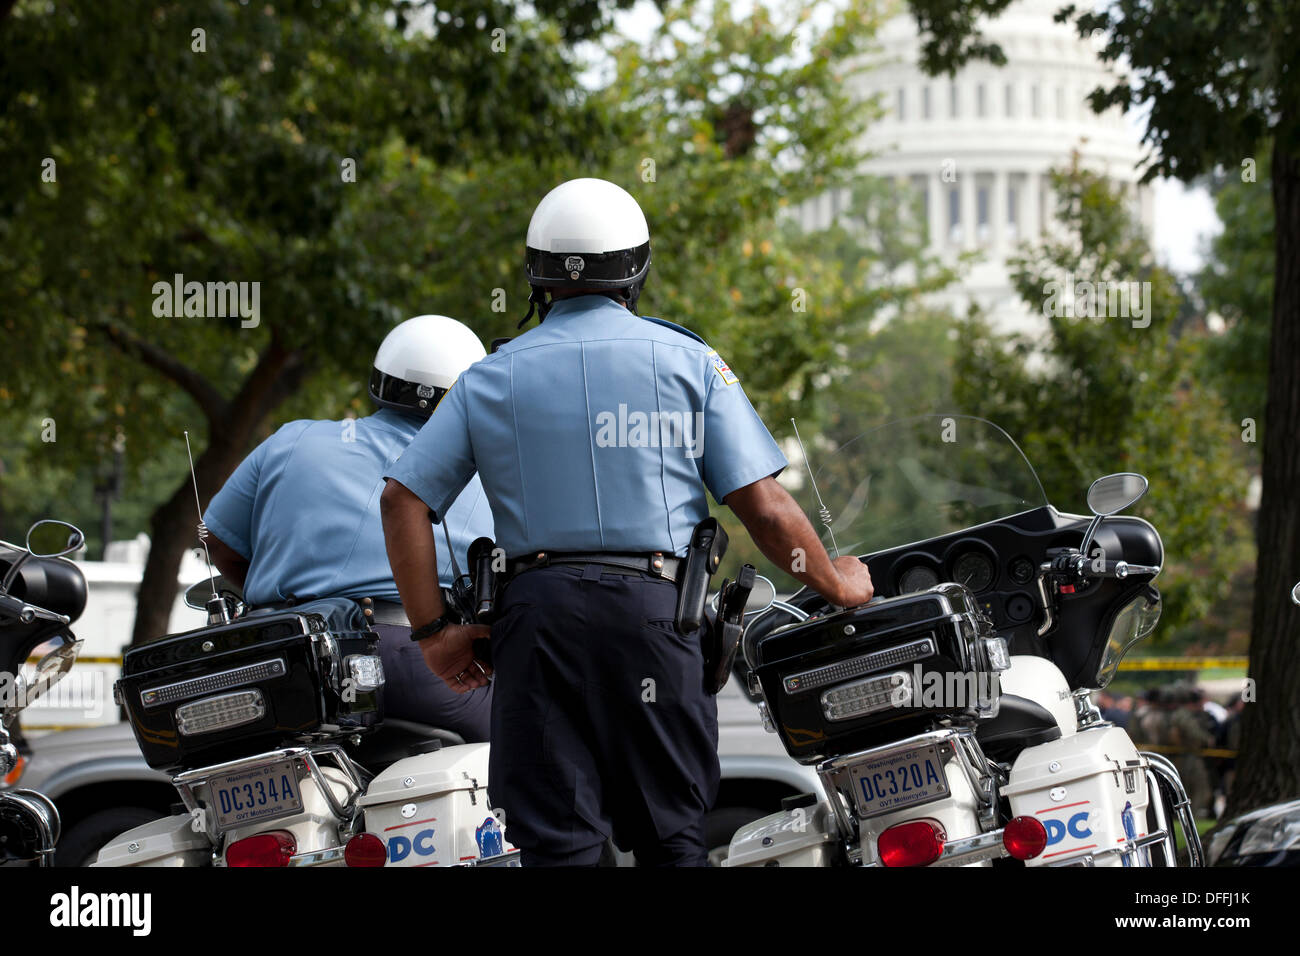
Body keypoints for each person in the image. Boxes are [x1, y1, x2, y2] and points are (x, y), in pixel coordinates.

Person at [381, 177, 873, 866]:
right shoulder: (689, 362)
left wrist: (434, 633)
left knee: (559, 844)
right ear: (636, 269)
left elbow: (402, 499)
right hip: (654, 615)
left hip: (536, 622)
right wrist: (836, 582)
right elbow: (762, 506)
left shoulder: (490, 377)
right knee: (671, 835)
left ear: (537, 275)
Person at [201, 315, 496, 742]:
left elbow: (218, 541)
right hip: (414, 662)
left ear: (381, 381)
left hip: (281, 662)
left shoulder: (291, 440)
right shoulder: (488, 471)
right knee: (526, 752)